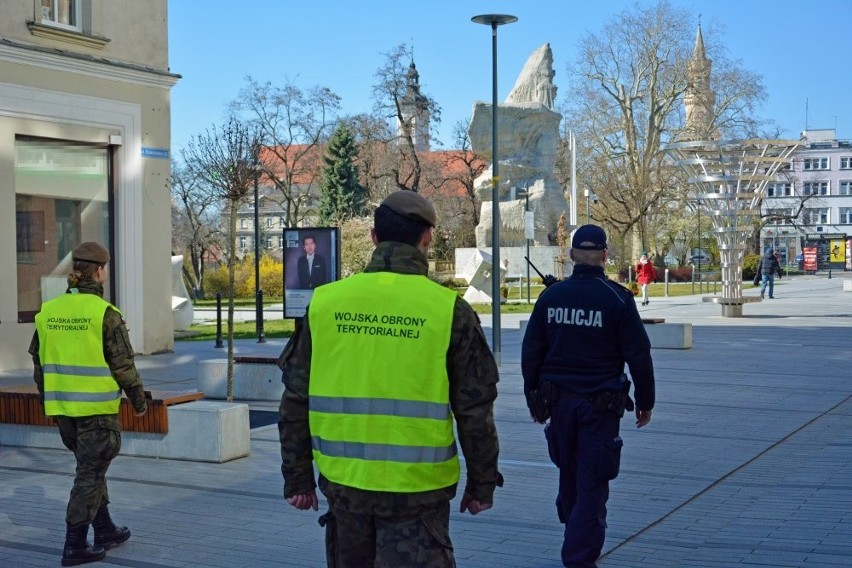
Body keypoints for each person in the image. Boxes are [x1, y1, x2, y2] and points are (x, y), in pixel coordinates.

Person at [278, 190, 502, 567]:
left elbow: (295, 399)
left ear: (373, 237)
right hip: (418, 495)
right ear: (427, 237)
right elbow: (474, 409)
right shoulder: (449, 311)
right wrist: (482, 484)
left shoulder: (324, 303)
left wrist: (297, 478)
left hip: (345, 487)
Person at [522, 224, 655, 568]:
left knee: (571, 473)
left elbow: (531, 351)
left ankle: (574, 530)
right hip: (600, 408)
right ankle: (579, 557)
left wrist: (532, 398)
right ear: (605, 255)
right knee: (592, 482)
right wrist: (646, 401)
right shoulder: (617, 298)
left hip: (559, 405)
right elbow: (639, 354)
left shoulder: (551, 297)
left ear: (570, 256)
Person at [29, 241, 148, 566]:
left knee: (91, 469)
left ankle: (105, 528)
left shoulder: (48, 311)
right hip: (96, 412)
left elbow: (38, 364)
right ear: (99, 271)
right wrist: (139, 401)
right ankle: (75, 545)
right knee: (89, 475)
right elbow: (123, 366)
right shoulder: (104, 314)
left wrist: (48, 402)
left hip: (64, 412)